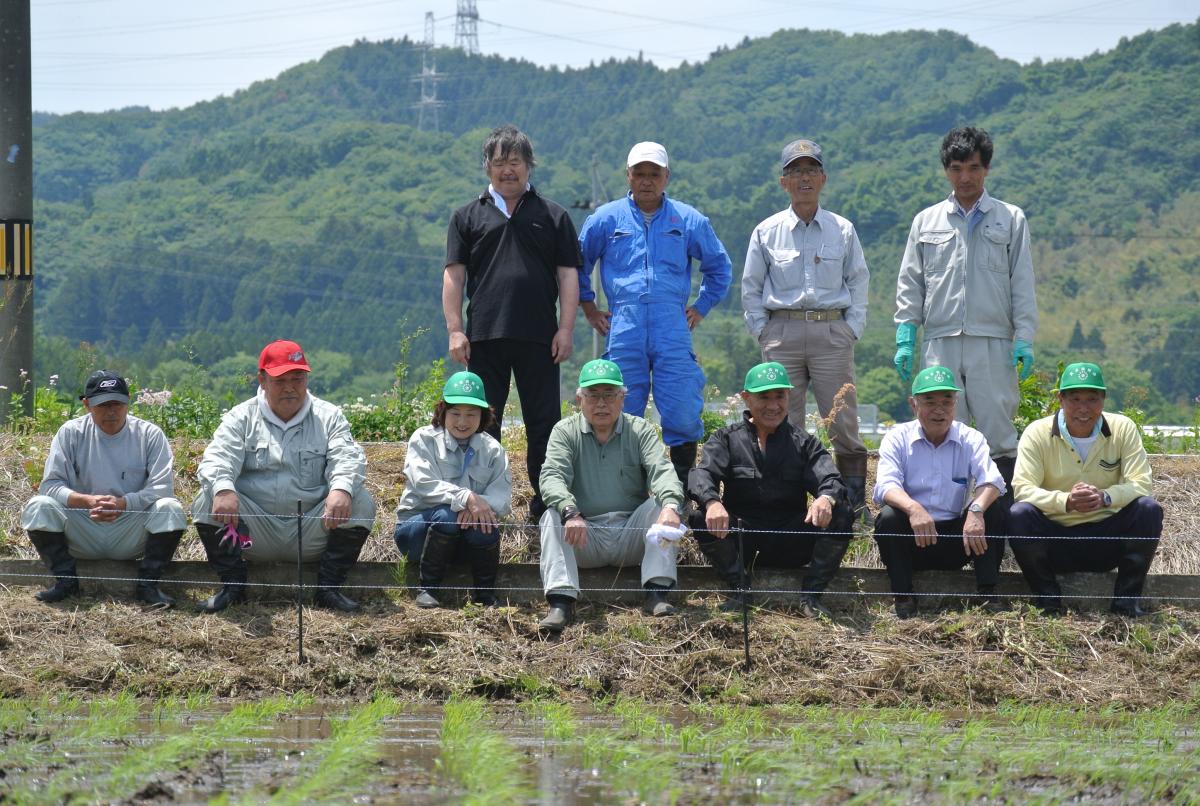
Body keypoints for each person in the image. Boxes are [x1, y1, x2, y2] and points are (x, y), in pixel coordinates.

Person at [442, 124, 581, 523]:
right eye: (499, 162)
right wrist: (455, 328)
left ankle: (546, 502)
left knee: (545, 424)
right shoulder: (467, 216)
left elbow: (568, 275)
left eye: (515, 162)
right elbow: (454, 275)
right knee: (485, 423)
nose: (507, 170)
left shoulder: (553, 215)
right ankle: (486, 501)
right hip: (484, 335)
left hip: (541, 336)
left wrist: (566, 328)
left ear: (529, 166)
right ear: (487, 167)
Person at [894, 126, 1038, 501]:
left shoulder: (1010, 219)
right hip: (940, 342)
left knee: (998, 434)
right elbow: (910, 282)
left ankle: (1000, 523)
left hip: (992, 341)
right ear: (946, 170)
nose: (965, 177)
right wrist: (906, 335)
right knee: (943, 432)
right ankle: (948, 520)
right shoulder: (926, 221)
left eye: (973, 167)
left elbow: (1022, 283)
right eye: (957, 168)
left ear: (986, 169)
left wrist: (1024, 337)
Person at [578, 141, 733, 487]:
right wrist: (589, 308)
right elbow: (577, 264)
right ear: (628, 175)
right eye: (640, 173)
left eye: (654, 174)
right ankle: (624, 484)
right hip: (624, 323)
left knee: (680, 404)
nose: (647, 181)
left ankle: (682, 485)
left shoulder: (688, 219)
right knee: (621, 403)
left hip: (672, 325)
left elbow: (719, 267)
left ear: (666, 177)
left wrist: (701, 307)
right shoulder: (605, 219)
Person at [191, 340, 377, 613]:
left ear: (307, 378)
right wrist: (223, 489)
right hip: (251, 532)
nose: (290, 387)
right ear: (262, 380)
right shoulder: (240, 417)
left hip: (313, 528)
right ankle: (233, 588)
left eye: (298, 378)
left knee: (359, 500)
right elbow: (217, 457)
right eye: (280, 380)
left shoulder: (329, 417)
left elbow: (347, 457)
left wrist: (341, 489)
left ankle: (328, 589)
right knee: (206, 498)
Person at [741, 139, 872, 523]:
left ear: (823, 178)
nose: (804, 178)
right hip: (782, 332)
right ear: (783, 181)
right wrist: (763, 332)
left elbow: (859, 281)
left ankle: (852, 508)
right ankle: (789, 506)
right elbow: (750, 287)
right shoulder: (766, 231)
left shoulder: (842, 229)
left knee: (844, 421)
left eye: (810, 170)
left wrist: (853, 329)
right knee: (781, 421)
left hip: (831, 331)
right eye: (795, 171)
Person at [687, 361, 853, 618]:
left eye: (780, 396)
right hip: (743, 539)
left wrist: (825, 498)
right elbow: (702, 474)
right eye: (764, 397)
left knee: (842, 511)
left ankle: (811, 596)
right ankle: (739, 590)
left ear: (789, 396)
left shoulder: (804, 443)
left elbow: (831, 478)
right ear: (746, 398)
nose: (773, 405)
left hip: (791, 539)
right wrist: (712, 502)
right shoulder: (725, 439)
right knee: (700, 516)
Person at [536, 359, 686, 633]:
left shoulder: (640, 429)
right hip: (584, 532)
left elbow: (661, 469)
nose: (601, 403)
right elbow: (552, 476)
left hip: (631, 532)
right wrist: (570, 511)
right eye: (593, 395)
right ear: (580, 398)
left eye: (609, 395)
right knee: (551, 515)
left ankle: (657, 594)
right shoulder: (564, 431)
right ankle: (560, 603)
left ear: (622, 398)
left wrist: (671, 504)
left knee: (659, 507)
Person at [21, 370, 187, 606]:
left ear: (128, 401)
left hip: (130, 528)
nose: (112, 411)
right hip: (83, 525)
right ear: (87, 405)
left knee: (170, 508)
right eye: (103, 405)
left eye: (118, 404)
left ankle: (148, 586)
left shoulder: (149, 434)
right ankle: (66, 582)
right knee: (39, 506)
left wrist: (124, 503)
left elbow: (162, 488)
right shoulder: (70, 433)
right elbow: (50, 486)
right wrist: (87, 501)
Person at [1009, 363, 1162, 616]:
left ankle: (1126, 602)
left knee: (1148, 509)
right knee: (1019, 514)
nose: (1083, 408)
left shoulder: (1123, 428)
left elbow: (1141, 482)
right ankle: (1048, 602)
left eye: (1092, 399)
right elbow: (1022, 489)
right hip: (1056, 539)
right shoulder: (1036, 433)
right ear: (1060, 399)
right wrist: (1066, 502)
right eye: (1075, 399)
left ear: (1104, 399)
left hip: (1106, 538)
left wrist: (1105, 497)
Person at [872, 366, 1007, 618]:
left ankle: (988, 593)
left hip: (957, 539)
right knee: (889, 516)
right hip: (914, 536)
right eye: (929, 401)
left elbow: (993, 481)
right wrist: (914, 509)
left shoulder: (970, 438)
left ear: (956, 404)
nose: (939, 409)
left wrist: (976, 511)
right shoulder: (897, 437)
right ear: (913, 404)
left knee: (993, 509)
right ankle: (903, 597)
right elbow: (885, 486)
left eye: (947, 401)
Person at [392, 371, 512, 608]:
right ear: (443, 412)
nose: (462, 422)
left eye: (471, 414)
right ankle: (427, 589)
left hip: (462, 538)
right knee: (447, 516)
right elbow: (424, 484)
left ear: (483, 416)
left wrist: (476, 506)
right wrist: (466, 497)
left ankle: (485, 595)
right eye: (455, 413)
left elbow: (503, 500)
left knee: (484, 524)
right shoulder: (423, 439)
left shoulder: (493, 450)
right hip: (417, 534)